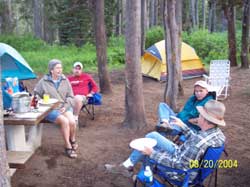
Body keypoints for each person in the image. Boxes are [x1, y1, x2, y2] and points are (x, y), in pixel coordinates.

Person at [105, 100, 226, 181]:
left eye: (200, 115)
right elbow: (195, 140)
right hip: (183, 154)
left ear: (204, 119)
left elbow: (181, 165)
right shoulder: (217, 134)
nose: (197, 117)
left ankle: (143, 177)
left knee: (149, 148)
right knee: (152, 135)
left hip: (182, 172)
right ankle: (127, 165)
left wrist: (153, 154)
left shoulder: (199, 142)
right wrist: (183, 126)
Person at [34, 59, 78, 158]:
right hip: (50, 109)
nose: (60, 70)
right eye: (57, 68)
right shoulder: (43, 81)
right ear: (51, 70)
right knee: (64, 121)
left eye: (61, 67)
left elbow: (71, 96)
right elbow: (36, 95)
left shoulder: (65, 80)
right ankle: (68, 146)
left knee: (72, 122)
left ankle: (73, 139)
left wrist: (66, 106)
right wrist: (44, 102)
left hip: (64, 106)